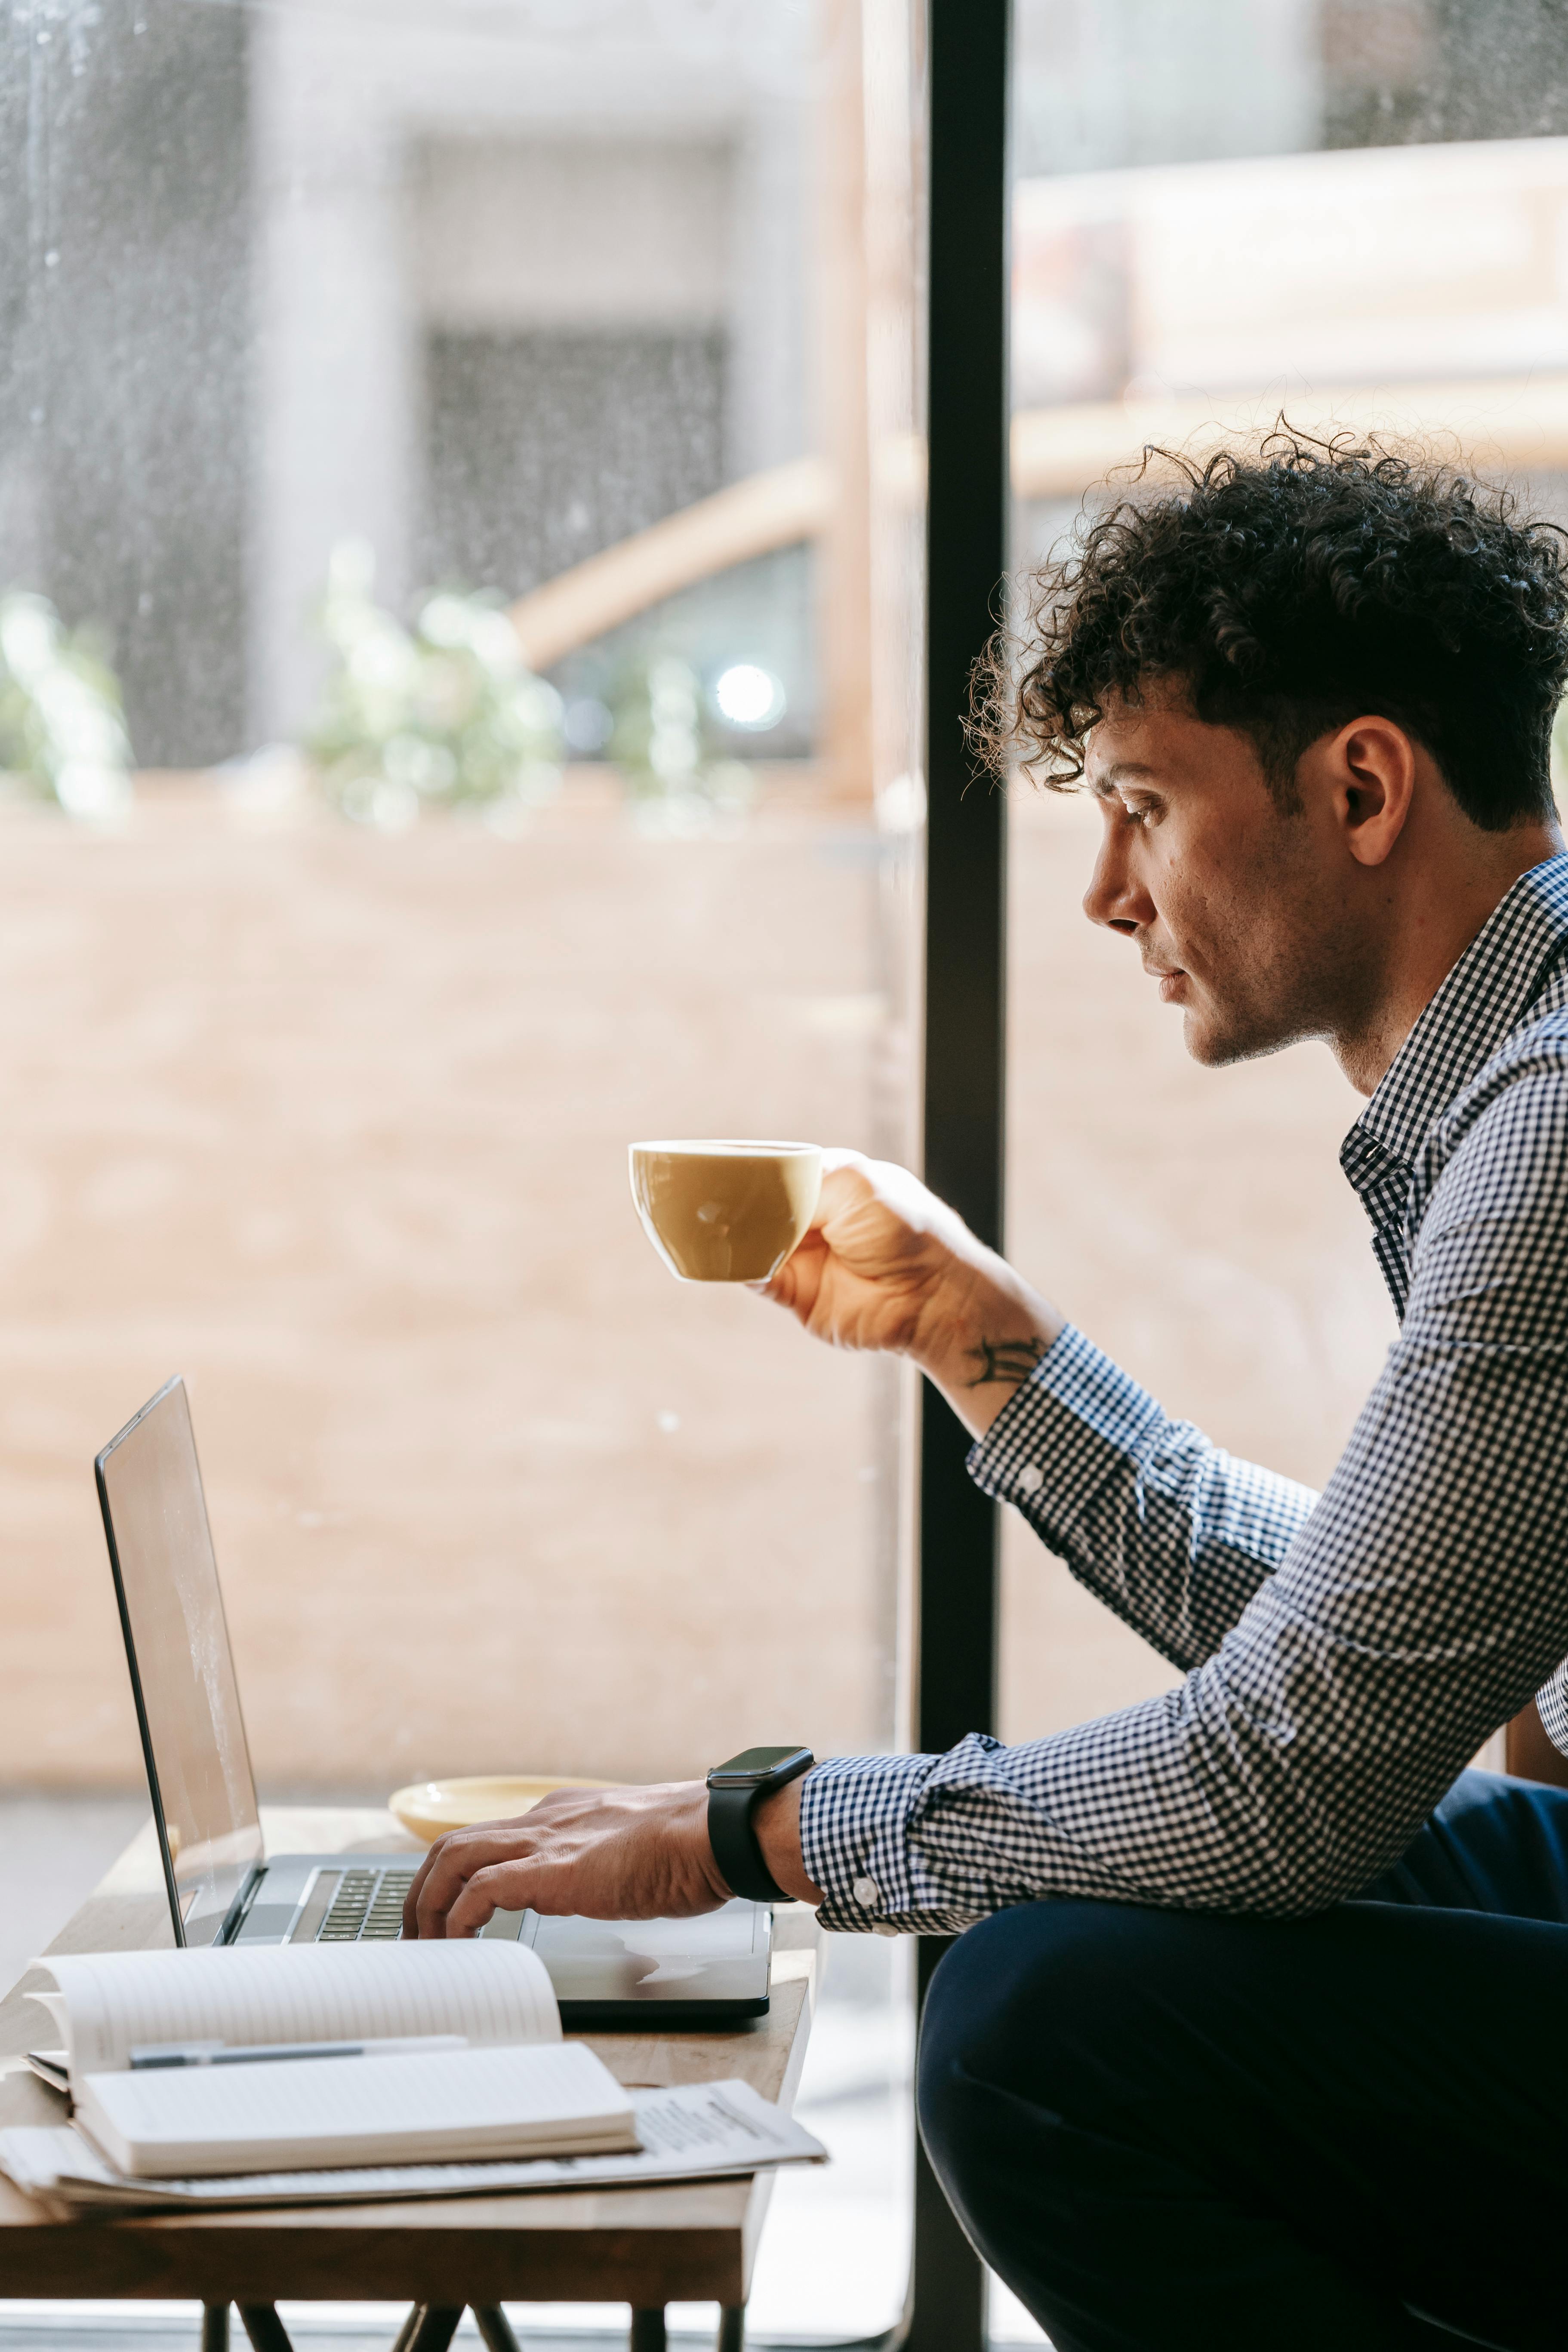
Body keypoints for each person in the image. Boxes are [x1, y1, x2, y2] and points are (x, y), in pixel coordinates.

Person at [405, 438, 1568, 2351]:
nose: (1108, 887)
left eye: (1142, 805)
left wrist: (746, 1826)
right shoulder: (1519, 1075)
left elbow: (1281, 1771)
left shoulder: (1551, 1133)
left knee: (1046, 2029)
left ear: (1362, 785)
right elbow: (1371, 1653)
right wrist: (985, 1348)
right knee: (1113, 1933)